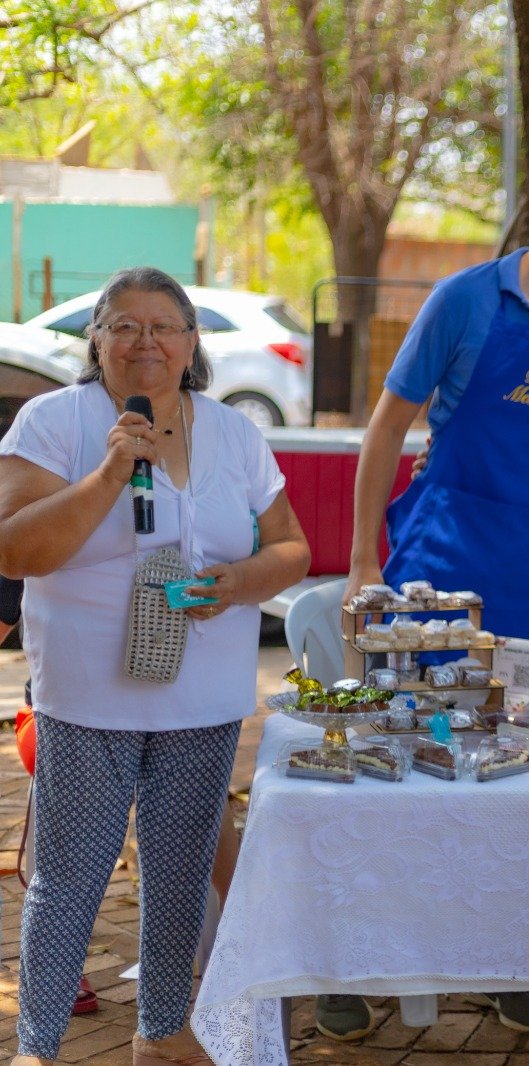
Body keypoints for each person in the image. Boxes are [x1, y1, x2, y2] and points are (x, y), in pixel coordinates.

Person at [337, 141, 529, 1039]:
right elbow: (387, 430)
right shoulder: (466, 297)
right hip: (440, 564)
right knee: (405, 763)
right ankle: (360, 959)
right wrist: (362, 563)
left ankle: (505, 956)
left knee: (523, 776)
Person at [0, 266, 311, 1066]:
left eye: (163, 326)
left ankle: (163, 1031)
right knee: (68, 883)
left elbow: (292, 548)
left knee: (179, 879)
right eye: (124, 326)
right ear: (95, 339)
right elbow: (15, 547)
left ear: (191, 343)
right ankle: (39, 1046)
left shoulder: (236, 432)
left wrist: (241, 582)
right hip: (87, 698)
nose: (145, 342)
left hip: (203, 700)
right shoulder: (54, 422)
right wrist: (109, 475)